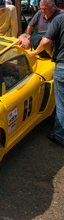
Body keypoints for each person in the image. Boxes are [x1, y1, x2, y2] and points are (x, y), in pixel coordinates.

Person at [28, 13, 64, 147]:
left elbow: (46, 41)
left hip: (62, 65)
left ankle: (61, 136)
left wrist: (52, 55)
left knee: (61, 104)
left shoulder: (60, 19)